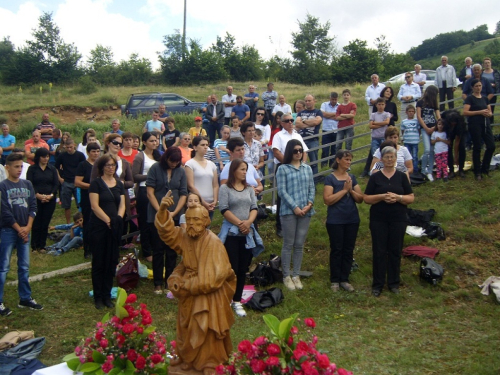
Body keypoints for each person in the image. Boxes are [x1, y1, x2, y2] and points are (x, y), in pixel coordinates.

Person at [154, 194, 236, 375]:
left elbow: (213, 279)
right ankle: (188, 360)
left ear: (206, 221)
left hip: (209, 295)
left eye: (196, 219)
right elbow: (168, 233)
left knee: (206, 329)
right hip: (189, 294)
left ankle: (210, 363)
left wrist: (184, 284)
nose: (191, 223)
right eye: (188, 220)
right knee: (187, 329)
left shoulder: (213, 243)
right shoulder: (186, 236)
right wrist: (162, 211)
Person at [364, 146, 414, 297]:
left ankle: (393, 283)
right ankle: (377, 284)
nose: (390, 160)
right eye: (387, 157)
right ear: (382, 159)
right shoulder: (375, 177)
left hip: (398, 218)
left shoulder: (401, 176)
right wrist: (381, 196)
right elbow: (366, 198)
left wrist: (398, 198)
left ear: (396, 158)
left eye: (392, 157)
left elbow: (411, 197)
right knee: (379, 251)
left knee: (395, 250)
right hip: (379, 219)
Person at [0, 153, 41, 316]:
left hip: (26, 229)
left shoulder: (27, 184)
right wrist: (19, 229)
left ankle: (25, 297)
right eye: (16, 166)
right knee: (3, 267)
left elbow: (33, 205)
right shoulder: (3, 186)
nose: (19, 170)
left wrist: (28, 227)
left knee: (24, 266)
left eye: (21, 166)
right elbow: (4, 211)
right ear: (7, 168)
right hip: (9, 230)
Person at [218, 159, 259, 317]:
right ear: (234, 170)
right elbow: (224, 209)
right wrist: (239, 223)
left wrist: (248, 223)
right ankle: (227, 298)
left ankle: (237, 300)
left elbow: (254, 207)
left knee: (243, 269)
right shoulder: (225, 188)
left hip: (247, 233)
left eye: (246, 170)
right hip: (231, 234)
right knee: (232, 269)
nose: (244, 172)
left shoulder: (249, 189)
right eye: (242, 169)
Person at [146, 147, 186, 294]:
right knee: (157, 249)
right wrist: (161, 210)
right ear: (166, 158)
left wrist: (175, 212)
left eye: (176, 162)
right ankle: (157, 282)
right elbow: (150, 192)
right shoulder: (155, 168)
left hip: (174, 214)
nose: (173, 164)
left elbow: (183, 193)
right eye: (171, 161)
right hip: (156, 215)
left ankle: (170, 280)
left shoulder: (181, 171)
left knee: (172, 250)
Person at [89, 154, 126, 309]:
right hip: (99, 226)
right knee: (99, 261)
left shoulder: (119, 184)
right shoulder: (96, 183)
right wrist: (108, 220)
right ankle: (98, 296)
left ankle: (107, 294)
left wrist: (117, 218)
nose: (111, 168)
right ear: (102, 167)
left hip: (114, 227)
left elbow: (123, 204)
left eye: (113, 165)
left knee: (111, 261)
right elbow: (94, 206)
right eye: (108, 165)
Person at [276, 140, 315, 291]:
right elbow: (282, 191)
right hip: (289, 211)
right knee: (288, 243)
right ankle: (286, 275)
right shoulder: (283, 169)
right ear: (289, 152)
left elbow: (312, 187)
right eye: (295, 151)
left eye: (300, 150)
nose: (298, 153)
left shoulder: (307, 168)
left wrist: (309, 204)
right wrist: (295, 207)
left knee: (299, 244)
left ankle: (296, 275)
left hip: (306, 210)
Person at [323, 150, 363, 293]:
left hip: (352, 219)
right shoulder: (330, 179)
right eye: (346, 159)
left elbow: (360, 198)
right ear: (338, 160)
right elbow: (327, 199)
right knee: (337, 249)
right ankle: (334, 280)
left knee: (348, 249)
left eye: (350, 159)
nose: (348, 162)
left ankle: (344, 279)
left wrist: (351, 190)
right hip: (335, 220)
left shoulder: (351, 177)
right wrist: (344, 190)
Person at [272, 113, 308, 238]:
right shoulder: (278, 135)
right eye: (287, 121)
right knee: (282, 196)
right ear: (282, 123)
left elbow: (304, 151)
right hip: (284, 168)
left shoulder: (297, 135)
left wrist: (301, 165)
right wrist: (290, 164)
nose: (290, 122)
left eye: (292, 120)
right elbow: (276, 152)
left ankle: (298, 219)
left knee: (298, 193)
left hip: (298, 168)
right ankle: (280, 226)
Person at [132, 132, 160, 262]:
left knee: (156, 221)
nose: (154, 143)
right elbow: (135, 176)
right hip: (144, 190)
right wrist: (151, 176)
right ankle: (147, 251)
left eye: (156, 140)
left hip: (157, 190)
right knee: (145, 222)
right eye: (151, 141)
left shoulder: (158, 155)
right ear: (144, 142)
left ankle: (156, 248)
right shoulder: (140, 157)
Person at [360, 87, 399, 177]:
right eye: (386, 91)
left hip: (387, 131)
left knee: (387, 152)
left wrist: (378, 123)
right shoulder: (375, 112)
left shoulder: (392, 105)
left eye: (390, 92)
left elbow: (391, 120)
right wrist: (382, 123)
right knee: (374, 153)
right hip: (376, 135)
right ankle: (371, 170)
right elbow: (371, 124)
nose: (388, 93)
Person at [26, 148, 59, 253]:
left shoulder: (52, 169)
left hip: (49, 199)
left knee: (45, 222)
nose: (46, 158)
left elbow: (56, 184)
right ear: (38, 157)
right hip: (36, 199)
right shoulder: (32, 169)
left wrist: (51, 195)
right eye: (44, 156)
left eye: (47, 156)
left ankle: (42, 246)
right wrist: (37, 195)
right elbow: (30, 183)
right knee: (36, 222)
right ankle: (34, 246)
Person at [463, 78, 495, 181]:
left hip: (485, 124)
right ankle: (477, 172)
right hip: (475, 124)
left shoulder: (485, 98)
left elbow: (490, 111)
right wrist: (479, 112)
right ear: (472, 87)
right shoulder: (470, 99)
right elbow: (465, 112)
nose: (478, 88)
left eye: (480, 86)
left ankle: (485, 168)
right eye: (476, 86)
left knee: (491, 146)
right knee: (477, 147)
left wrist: (488, 114)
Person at [75, 142, 101, 259]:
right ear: (88, 152)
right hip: (87, 197)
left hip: (101, 197)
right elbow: (77, 182)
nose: (96, 154)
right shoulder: (83, 165)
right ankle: (88, 249)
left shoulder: (101, 164)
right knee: (88, 224)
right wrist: (92, 186)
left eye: (97, 151)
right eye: (93, 151)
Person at [185, 136, 218, 220]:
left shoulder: (211, 164)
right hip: (196, 203)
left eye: (207, 145)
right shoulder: (190, 164)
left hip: (211, 202)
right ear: (195, 147)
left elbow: (215, 185)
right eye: (202, 145)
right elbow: (190, 186)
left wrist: (215, 200)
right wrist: (202, 202)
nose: (205, 147)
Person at [55, 139, 86, 223]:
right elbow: (55, 167)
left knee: (80, 204)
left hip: (77, 182)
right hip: (66, 181)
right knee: (66, 205)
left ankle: (81, 221)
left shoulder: (80, 155)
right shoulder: (62, 156)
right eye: (67, 147)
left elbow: (84, 168)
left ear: (74, 145)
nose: (69, 149)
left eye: (71, 147)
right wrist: (59, 178)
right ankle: (68, 222)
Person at [295, 94, 323, 179]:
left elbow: (316, 122)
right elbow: (297, 123)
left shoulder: (318, 112)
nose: (307, 102)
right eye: (306, 101)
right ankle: (303, 178)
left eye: (309, 100)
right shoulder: (301, 112)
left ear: (314, 101)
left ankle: (315, 179)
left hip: (313, 139)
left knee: (314, 161)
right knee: (300, 161)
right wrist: (309, 123)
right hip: (301, 140)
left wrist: (303, 121)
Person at [417, 85, 441, 181]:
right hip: (424, 128)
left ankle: (430, 171)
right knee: (427, 150)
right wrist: (426, 128)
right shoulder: (420, 102)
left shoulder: (434, 103)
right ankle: (423, 171)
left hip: (433, 128)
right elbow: (419, 116)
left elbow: (438, 117)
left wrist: (436, 127)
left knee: (432, 151)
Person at [368, 97, 391, 171]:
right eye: (379, 104)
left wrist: (375, 123)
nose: (381, 106)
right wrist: (382, 124)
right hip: (375, 137)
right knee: (375, 155)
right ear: (376, 105)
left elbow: (387, 122)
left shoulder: (387, 114)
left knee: (385, 154)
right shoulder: (373, 115)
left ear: (385, 105)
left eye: (382, 104)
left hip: (384, 137)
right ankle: (374, 169)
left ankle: (384, 169)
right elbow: (371, 126)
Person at [442, 109, 466, 179]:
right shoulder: (445, 119)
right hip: (448, 131)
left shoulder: (460, 123)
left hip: (459, 131)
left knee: (462, 147)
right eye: (451, 123)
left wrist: (456, 157)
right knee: (448, 148)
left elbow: (457, 142)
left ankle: (461, 169)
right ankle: (451, 170)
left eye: (454, 124)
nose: (453, 125)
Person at [320, 92, 339, 168]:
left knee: (334, 149)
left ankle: (332, 166)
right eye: (332, 99)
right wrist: (335, 114)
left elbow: (339, 116)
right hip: (326, 130)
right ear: (329, 98)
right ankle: (323, 166)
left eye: (335, 99)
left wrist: (328, 115)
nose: (334, 101)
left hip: (336, 130)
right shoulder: (324, 104)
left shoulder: (340, 106)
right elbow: (323, 114)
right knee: (325, 149)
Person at [401, 105, 420, 173]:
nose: (411, 113)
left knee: (415, 156)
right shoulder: (404, 121)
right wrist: (403, 138)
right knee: (407, 156)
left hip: (415, 141)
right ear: (406, 112)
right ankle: (408, 170)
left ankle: (415, 170)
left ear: (414, 112)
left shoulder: (417, 121)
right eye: (409, 111)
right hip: (407, 141)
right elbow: (402, 131)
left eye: (412, 111)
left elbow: (419, 130)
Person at [482, 57, 500, 124]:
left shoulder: (496, 72)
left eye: (488, 63)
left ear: (491, 63)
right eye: (485, 63)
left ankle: (491, 124)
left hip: (493, 93)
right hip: (483, 93)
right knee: (483, 108)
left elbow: (498, 82)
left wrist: (495, 85)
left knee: (491, 108)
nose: (487, 64)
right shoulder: (482, 73)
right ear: (483, 64)